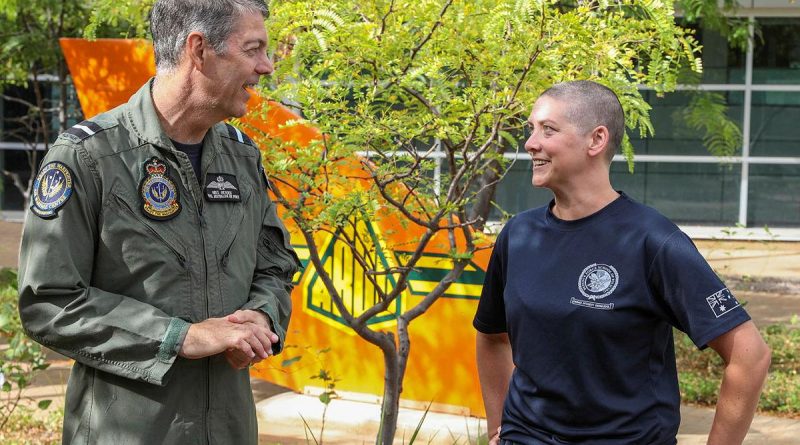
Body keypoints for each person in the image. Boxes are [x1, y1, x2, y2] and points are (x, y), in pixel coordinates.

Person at [17, 0, 301, 443]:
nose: (265, 67)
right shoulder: (88, 158)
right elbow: (49, 302)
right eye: (253, 49)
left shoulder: (242, 157)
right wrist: (177, 337)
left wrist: (262, 317)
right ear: (199, 49)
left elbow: (275, 265)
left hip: (229, 429)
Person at [473, 80, 771, 445]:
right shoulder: (518, 235)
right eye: (531, 129)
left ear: (596, 140)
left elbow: (750, 356)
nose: (531, 143)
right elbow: (491, 337)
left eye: (547, 130)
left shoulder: (653, 241)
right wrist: (497, 429)